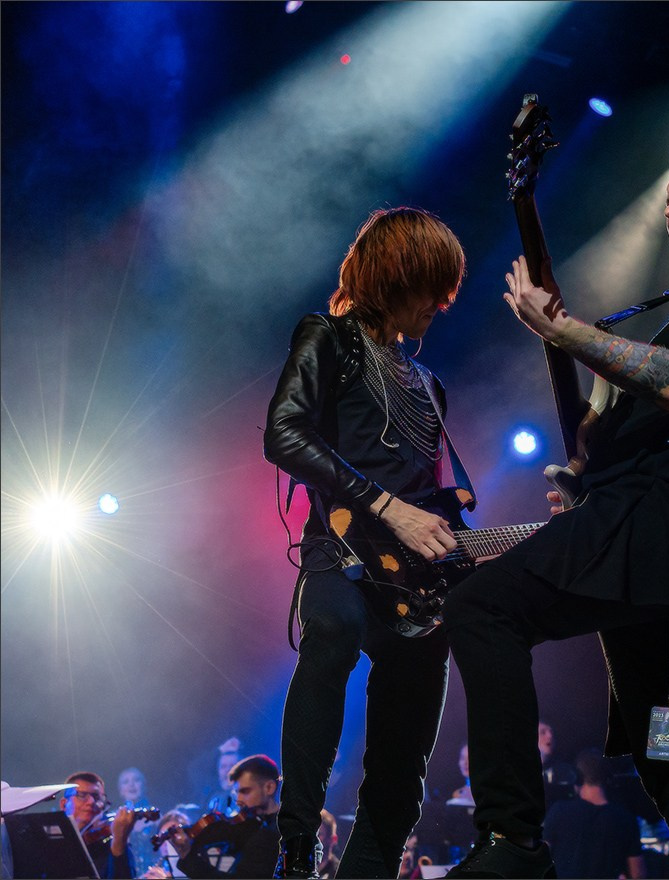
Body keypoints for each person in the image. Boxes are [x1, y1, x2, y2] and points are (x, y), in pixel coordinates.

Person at [443, 144, 669, 879]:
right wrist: (580, 476)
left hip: (666, 541)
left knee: (484, 608)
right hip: (648, 565)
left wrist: (563, 332)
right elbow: (618, 433)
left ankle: (513, 840)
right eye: (668, 198)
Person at [264, 206, 468, 878]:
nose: (444, 303)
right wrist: (388, 507)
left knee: (404, 752)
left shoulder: (428, 385)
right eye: (433, 285)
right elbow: (284, 434)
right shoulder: (326, 338)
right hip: (343, 554)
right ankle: (298, 844)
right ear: (396, 275)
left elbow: (443, 502)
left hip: (417, 587)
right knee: (332, 629)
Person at [543, 749, 646, 880]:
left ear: (577, 777)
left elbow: (540, 860)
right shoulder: (626, 819)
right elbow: (638, 874)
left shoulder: (559, 811)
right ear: (607, 779)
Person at [174, 754, 281, 879]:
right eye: (237, 792)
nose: (239, 800)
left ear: (269, 787)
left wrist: (188, 858)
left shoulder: (275, 832)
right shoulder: (249, 825)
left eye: (245, 791)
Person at [59, 771, 137, 879]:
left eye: (96, 797)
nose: (91, 801)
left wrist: (119, 843)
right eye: (82, 795)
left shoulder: (112, 843)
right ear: (64, 804)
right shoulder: (52, 844)